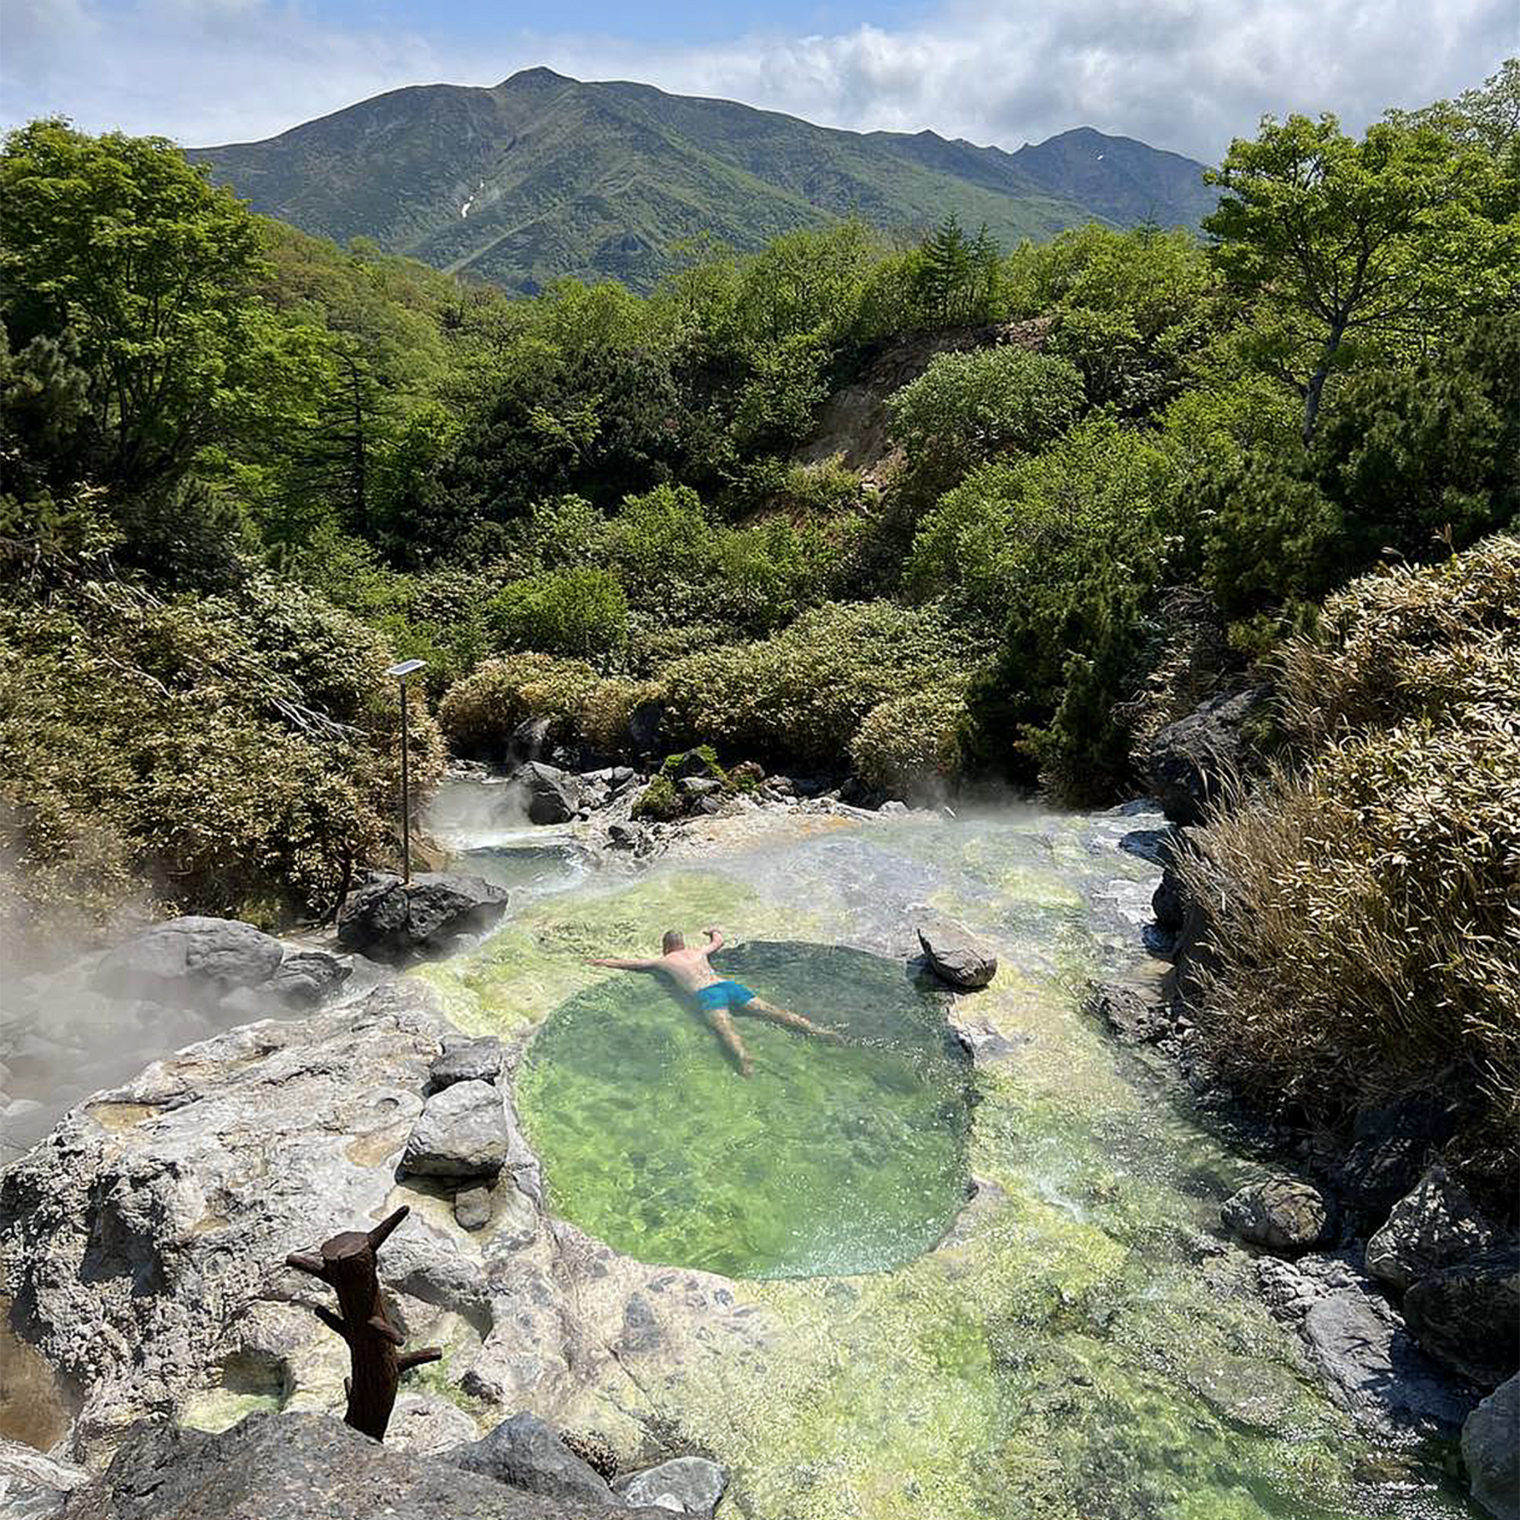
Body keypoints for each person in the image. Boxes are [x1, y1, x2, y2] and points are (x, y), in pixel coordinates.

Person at [587, 927, 842, 1077]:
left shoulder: (663, 961)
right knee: (775, 1012)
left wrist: (601, 962)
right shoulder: (698, 951)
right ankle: (817, 1030)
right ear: (683, 943)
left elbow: (631, 964)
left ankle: (743, 1058)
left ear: (666, 947)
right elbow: (718, 942)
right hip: (729, 986)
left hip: (708, 995)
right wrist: (713, 931)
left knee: (725, 1029)